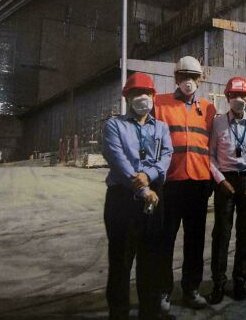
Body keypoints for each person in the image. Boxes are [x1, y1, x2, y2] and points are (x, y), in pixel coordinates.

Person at [102, 72, 173, 320]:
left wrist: (150, 175)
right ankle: (119, 313)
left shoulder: (161, 127)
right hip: (123, 198)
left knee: (151, 259)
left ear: (154, 97)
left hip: (154, 196)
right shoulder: (114, 125)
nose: (142, 97)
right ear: (127, 97)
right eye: (136, 93)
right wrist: (142, 188)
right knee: (121, 261)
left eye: (147, 93)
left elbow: (166, 156)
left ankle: (150, 312)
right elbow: (118, 161)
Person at [154, 56, 217, 311]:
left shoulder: (209, 108)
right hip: (170, 182)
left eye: (193, 77)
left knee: (195, 240)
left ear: (199, 80)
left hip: (199, 183)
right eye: (183, 77)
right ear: (176, 79)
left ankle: (191, 289)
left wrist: (213, 179)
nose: (188, 82)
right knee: (165, 239)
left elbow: (214, 146)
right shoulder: (160, 104)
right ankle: (162, 291)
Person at [207, 77, 246, 304]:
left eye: (242, 96)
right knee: (221, 234)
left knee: (244, 234)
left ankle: (240, 280)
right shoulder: (218, 123)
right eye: (234, 96)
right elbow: (210, 155)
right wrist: (220, 180)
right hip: (225, 183)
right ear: (227, 97)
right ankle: (218, 283)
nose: (238, 100)